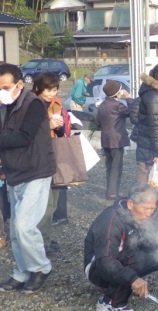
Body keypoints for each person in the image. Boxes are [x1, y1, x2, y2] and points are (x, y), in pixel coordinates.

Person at [0, 63, 56, 293]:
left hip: (36, 171)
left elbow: (24, 137)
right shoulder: (3, 106)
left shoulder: (33, 104)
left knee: (24, 225)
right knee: (15, 230)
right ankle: (22, 272)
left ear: (20, 84)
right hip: (14, 172)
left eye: (5, 86)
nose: (1, 91)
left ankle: (40, 267)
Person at [84, 183, 158, 311]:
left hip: (123, 256)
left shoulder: (140, 215)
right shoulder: (111, 221)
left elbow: (152, 241)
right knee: (138, 258)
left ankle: (124, 285)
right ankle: (109, 303)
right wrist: (132, 278)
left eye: (152, 208)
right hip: (97, 268)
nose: (149, 214)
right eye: (146, 208)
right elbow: (105, 262)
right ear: (130, 204)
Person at [33, 72, 71, 254]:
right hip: (37, 157)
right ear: (38, 87)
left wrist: (61, 126)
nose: (50, 93)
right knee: (45, 205)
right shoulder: (31, 104)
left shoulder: (57, 104)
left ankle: (45, 238)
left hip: (54, 154)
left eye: (54, 89)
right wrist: (46, 125)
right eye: (48, 89)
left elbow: (63, 132)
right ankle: (41, 242)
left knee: (53, 203)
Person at [96, 80, 132, 201]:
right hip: (116, 140)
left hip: (105, 139)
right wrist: (128, 98)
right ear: (117, 93)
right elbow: (131, 113)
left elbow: (97, 122)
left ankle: (111, 190)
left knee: (110, 166)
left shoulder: (102, 105)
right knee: (117, 167)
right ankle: (112, 193)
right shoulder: (118, 105)